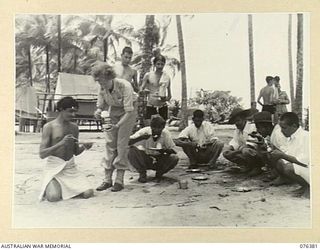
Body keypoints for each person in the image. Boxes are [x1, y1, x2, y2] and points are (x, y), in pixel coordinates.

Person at [38, 97, 94, 202]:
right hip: (55, 168)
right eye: (70, 111)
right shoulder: (49, 127)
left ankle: (64, 187)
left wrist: (85, 147)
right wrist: (61, 143)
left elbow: (76, 152)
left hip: (70, 168)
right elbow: (42, 154)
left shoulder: (74, 127)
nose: (73, 115)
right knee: (53, 197)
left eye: (75, 112)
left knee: (88, 193)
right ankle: (52, 182)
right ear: (61, 109)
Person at [93, 62, 137, 192]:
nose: (101, 85)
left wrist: (117, 125)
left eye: (103, 82)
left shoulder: (125, 86)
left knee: (121, 144)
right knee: (109, 143)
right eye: (99, 82)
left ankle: (119, 179)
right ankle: (107, 179)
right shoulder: (102, 87)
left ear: (110, 77)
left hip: (129, 111)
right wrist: (98, 112)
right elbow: (100, 105)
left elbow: (129, 111)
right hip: (113, 111)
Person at [269, 112, 310, 198]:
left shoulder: (306, 136)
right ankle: (304, 186)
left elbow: (304, 162)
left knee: (288, 168)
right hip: (303, 168)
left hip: (311, 169)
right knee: (279, 161)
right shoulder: (291, 137)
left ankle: (310, 188)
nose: (281, 131)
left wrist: (282, 155)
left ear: (294, 126)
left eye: (284, 128)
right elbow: (288, 154)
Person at [128, 115, 179, 183]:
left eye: (159, 128)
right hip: (145, 158)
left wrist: (164, 150)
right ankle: (142, 173)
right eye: (154, 128)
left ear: (163, 128)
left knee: (174, 158)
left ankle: (159, 173)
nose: (156, 130)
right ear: (151, 127)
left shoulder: (166, 133)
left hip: (159, 158)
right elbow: (128, 142)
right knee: (131, 151)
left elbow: (174, 150)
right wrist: (140, 138)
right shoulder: (144, 131)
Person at [222, 107, 264, 175]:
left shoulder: (252, 127)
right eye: (235, 121)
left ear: (244, 119)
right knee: (226, 153)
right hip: (246, 152)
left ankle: (257, 167)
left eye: (238, 120)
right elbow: (234, 142)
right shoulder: (237, 130)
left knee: (246, 151)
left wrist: (234, 152)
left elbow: (250, 145)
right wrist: (229, 150)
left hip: (258, 154)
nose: (236, 123)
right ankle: (247, 166)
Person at [140, 54, 172, 123]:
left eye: (162, 64)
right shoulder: (148, 75)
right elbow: (141, 89)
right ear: (154, 64)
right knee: (150, 128)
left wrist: (165, 98)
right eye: (158, 64)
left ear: (164, 65)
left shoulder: (167, 77)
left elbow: (169, 96)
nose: (160, 66)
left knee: (161, 129)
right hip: (151, 106)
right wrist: (144, 91)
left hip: (162, 107)